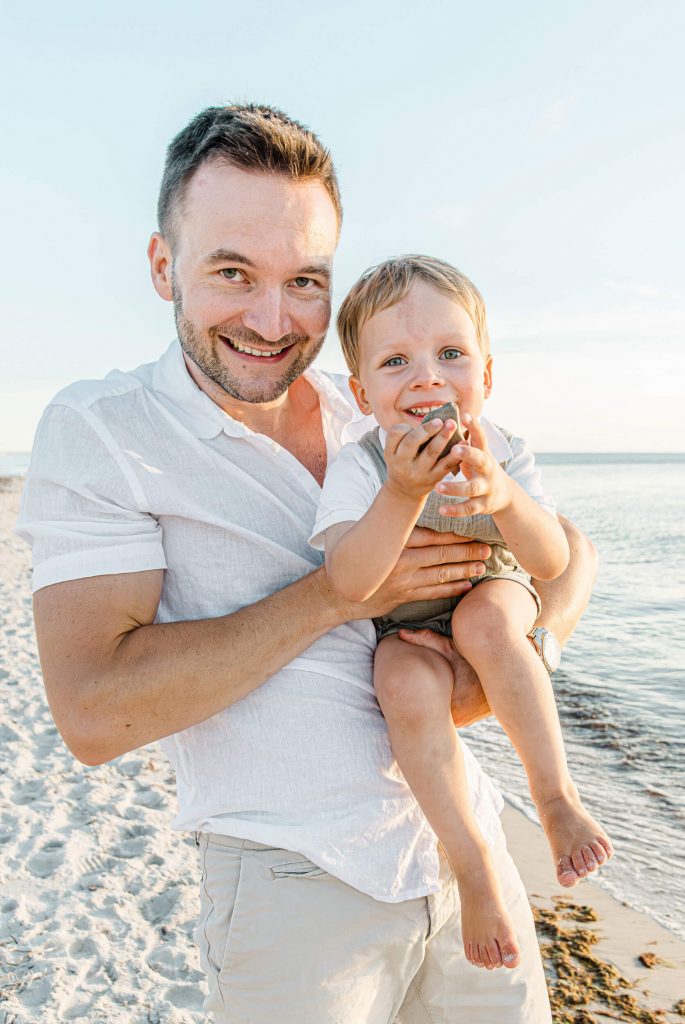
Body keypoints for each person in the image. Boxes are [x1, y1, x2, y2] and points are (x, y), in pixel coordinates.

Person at [16, 104, 597, 1023]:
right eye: (232, 273)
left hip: (462, 851)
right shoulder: (102, 430)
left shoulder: (373, 390)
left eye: (305, 282)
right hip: (294, 883)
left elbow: (573, 553)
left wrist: (512, 655)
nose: (271, 318)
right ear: (164, 266)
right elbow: (92, 713)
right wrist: (332, 597)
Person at [312, 255, 614, 970]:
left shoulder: (502, 450)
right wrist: (399, 494)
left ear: (485, 374)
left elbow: (548, 561)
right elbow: (348, 582)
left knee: (486, 621)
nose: (426, 376)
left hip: (492, 588)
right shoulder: (358, 466)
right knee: (400, 682)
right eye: (395, 361)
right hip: (403, 622)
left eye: (450, 353)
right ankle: (471, 862)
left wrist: (505, 498)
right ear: (360, 392)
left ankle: (554, 797)